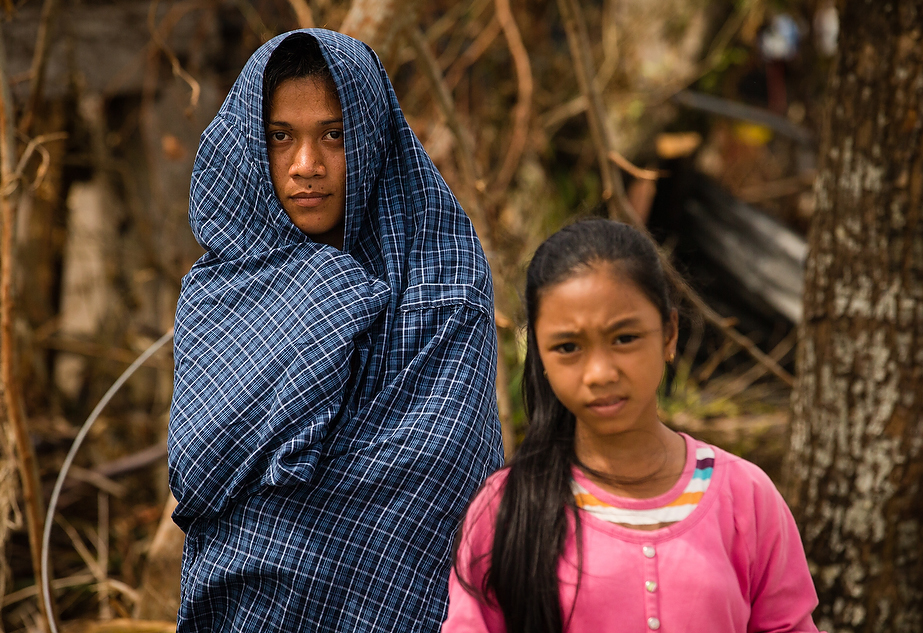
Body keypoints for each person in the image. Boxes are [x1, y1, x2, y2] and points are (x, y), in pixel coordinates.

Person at [168, 29, 502, 632]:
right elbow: (195, 472)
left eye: (334, 136)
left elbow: (439, 466)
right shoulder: (221, 289)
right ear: (250, 146)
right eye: (280, 137)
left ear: (370, 137)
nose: (306, 166)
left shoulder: (441, 276)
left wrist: (279, 518)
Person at [443, 218, 822, 633]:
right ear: (540, 355)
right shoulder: (507, 509)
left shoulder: (746, 499)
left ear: (669, 334)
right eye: (568, 347)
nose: (600, 372)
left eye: (624, 338)